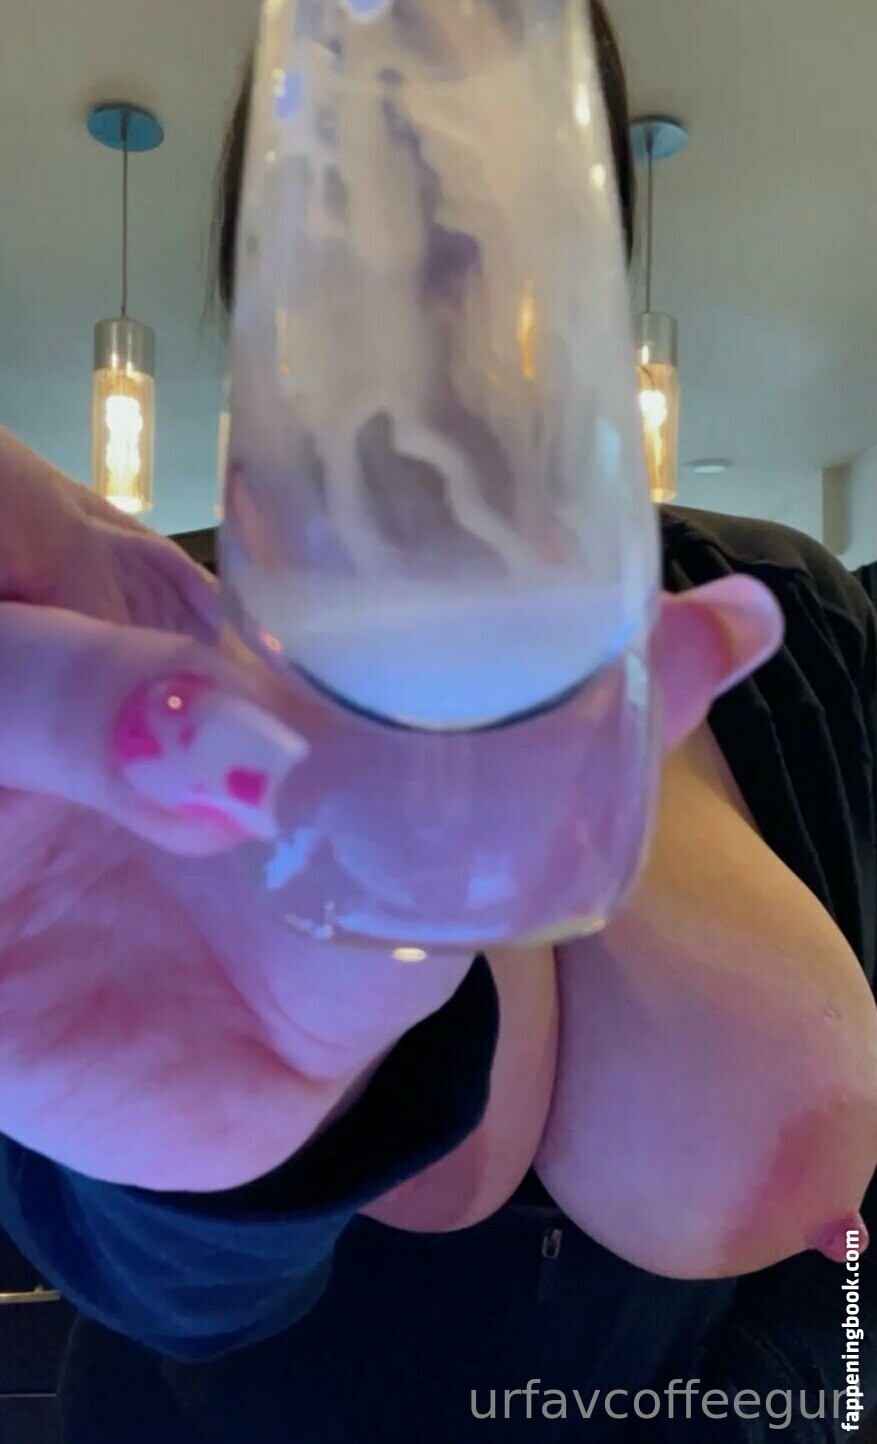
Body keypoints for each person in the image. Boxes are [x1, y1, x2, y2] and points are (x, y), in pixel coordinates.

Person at [0, 3, 874, 1439]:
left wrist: (785, 1405)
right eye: (363, 183)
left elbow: (849, 1242)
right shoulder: (167, 662)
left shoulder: (786, 614)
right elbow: (144, 1276)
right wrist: (219, 1167)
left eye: (491, 179)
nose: (432, 250)